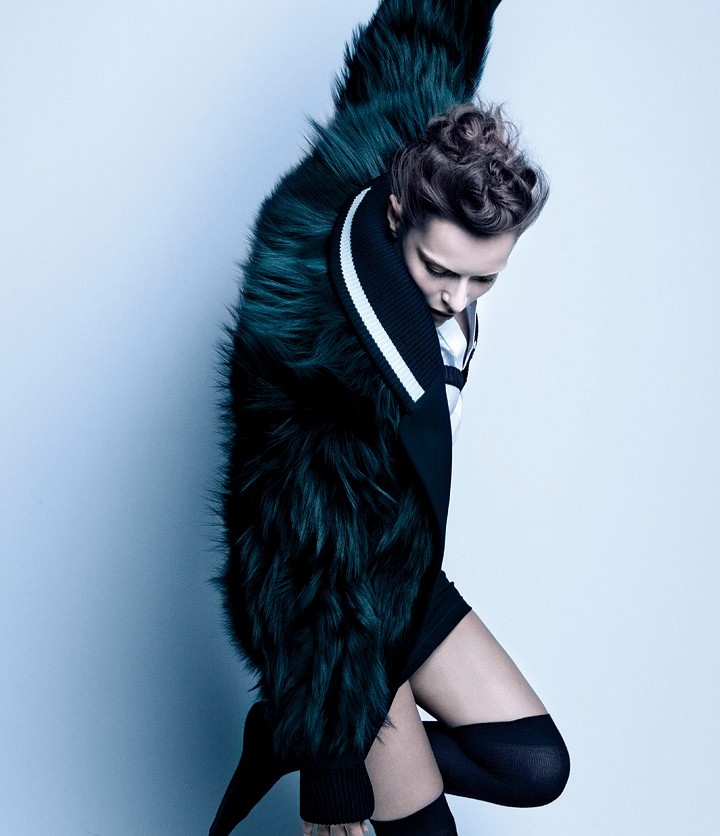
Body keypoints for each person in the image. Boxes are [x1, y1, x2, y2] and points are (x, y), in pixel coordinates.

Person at [210, 1, 570, 834]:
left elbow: (419, 40)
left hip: (397, 569)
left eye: (483, 280)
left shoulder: (423, 149)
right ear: (399, 212)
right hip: (332, 611)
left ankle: (282, 740)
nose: (455, 297)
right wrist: (332, 760)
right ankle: (304, 733)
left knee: (532, 765)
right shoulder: (320, 358)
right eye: (441, 270)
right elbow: (305, 560)